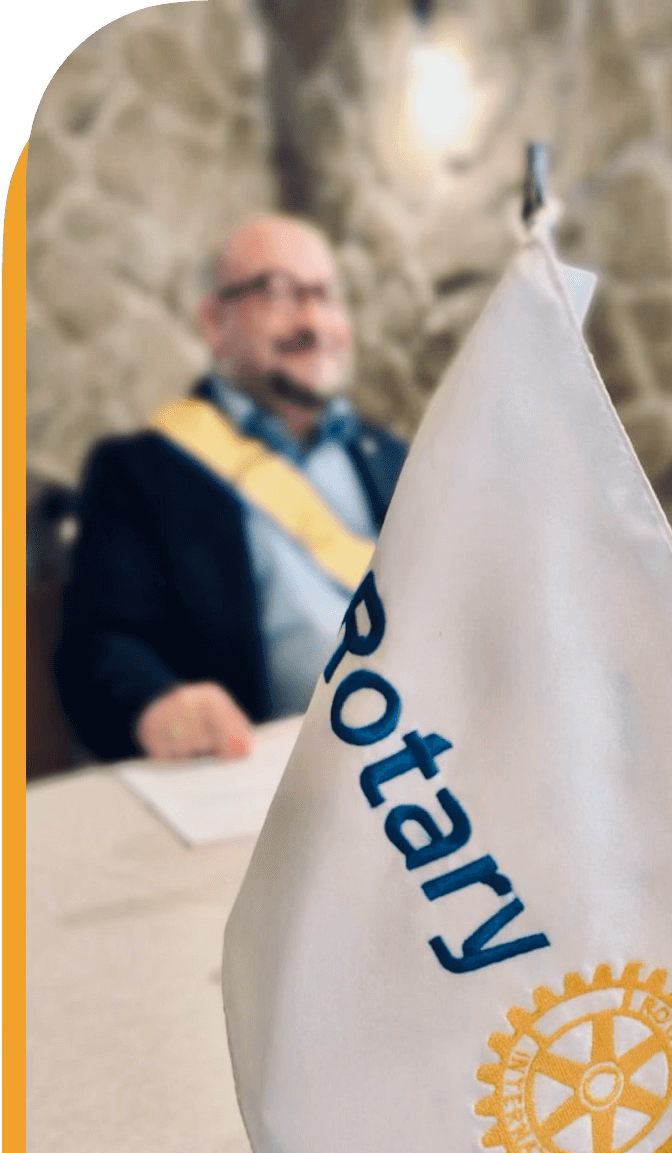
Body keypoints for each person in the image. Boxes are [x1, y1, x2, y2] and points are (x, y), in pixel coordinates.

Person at [54, 215, 408, 763]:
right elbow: (100, 648)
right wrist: (155, 705)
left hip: (424, 752)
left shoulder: (392, 456)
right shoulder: (141, 471)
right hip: (272, 780)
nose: (313, 321)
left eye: (327, 295)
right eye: (279, 293)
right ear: (214, 321)